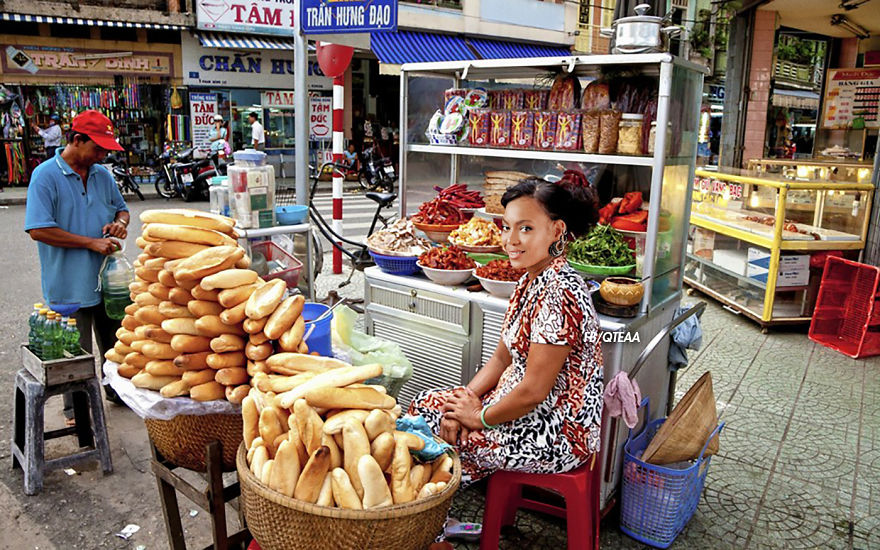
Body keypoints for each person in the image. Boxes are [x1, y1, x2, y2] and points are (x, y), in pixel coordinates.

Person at [409, 177, 605, 487]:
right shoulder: (529, 279)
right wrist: (463, 403)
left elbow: (533, 392)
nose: (511, 240)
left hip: (557, 430)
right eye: (506, 227)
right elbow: (501, 359)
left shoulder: (561, 292)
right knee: (428, 407)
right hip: (516, 407)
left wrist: (478, 417)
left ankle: (433, 507)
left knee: (442, 435)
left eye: (525, 228)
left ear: (557, 230)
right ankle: (433, 501)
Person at [24, 109, 129, 414]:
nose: (102, 155)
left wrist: (119, 223)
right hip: (68, 284)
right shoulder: (45, 175)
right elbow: (38, 229)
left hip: (108, 282)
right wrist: (90, 242)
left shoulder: (102, 175)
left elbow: (121, 209)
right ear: (77, 140)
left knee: (117, 347)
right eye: (97, 148)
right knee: (74, 356)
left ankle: (118, 393)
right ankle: (78, 412)